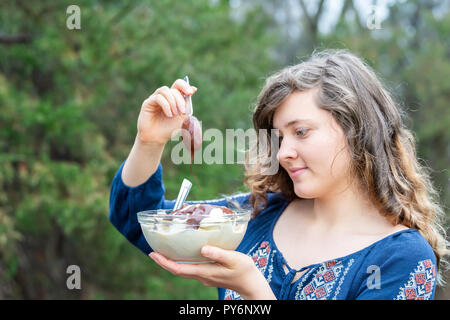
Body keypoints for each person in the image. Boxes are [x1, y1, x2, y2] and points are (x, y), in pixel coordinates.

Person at [109, 49, 449, 300]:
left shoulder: (401, 258)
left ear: (357, 131)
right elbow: (138, 219)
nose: (283, 152)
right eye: (279, 137)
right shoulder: (257, 216)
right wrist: (149, 141)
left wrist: (255, 292)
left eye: (300, 132)